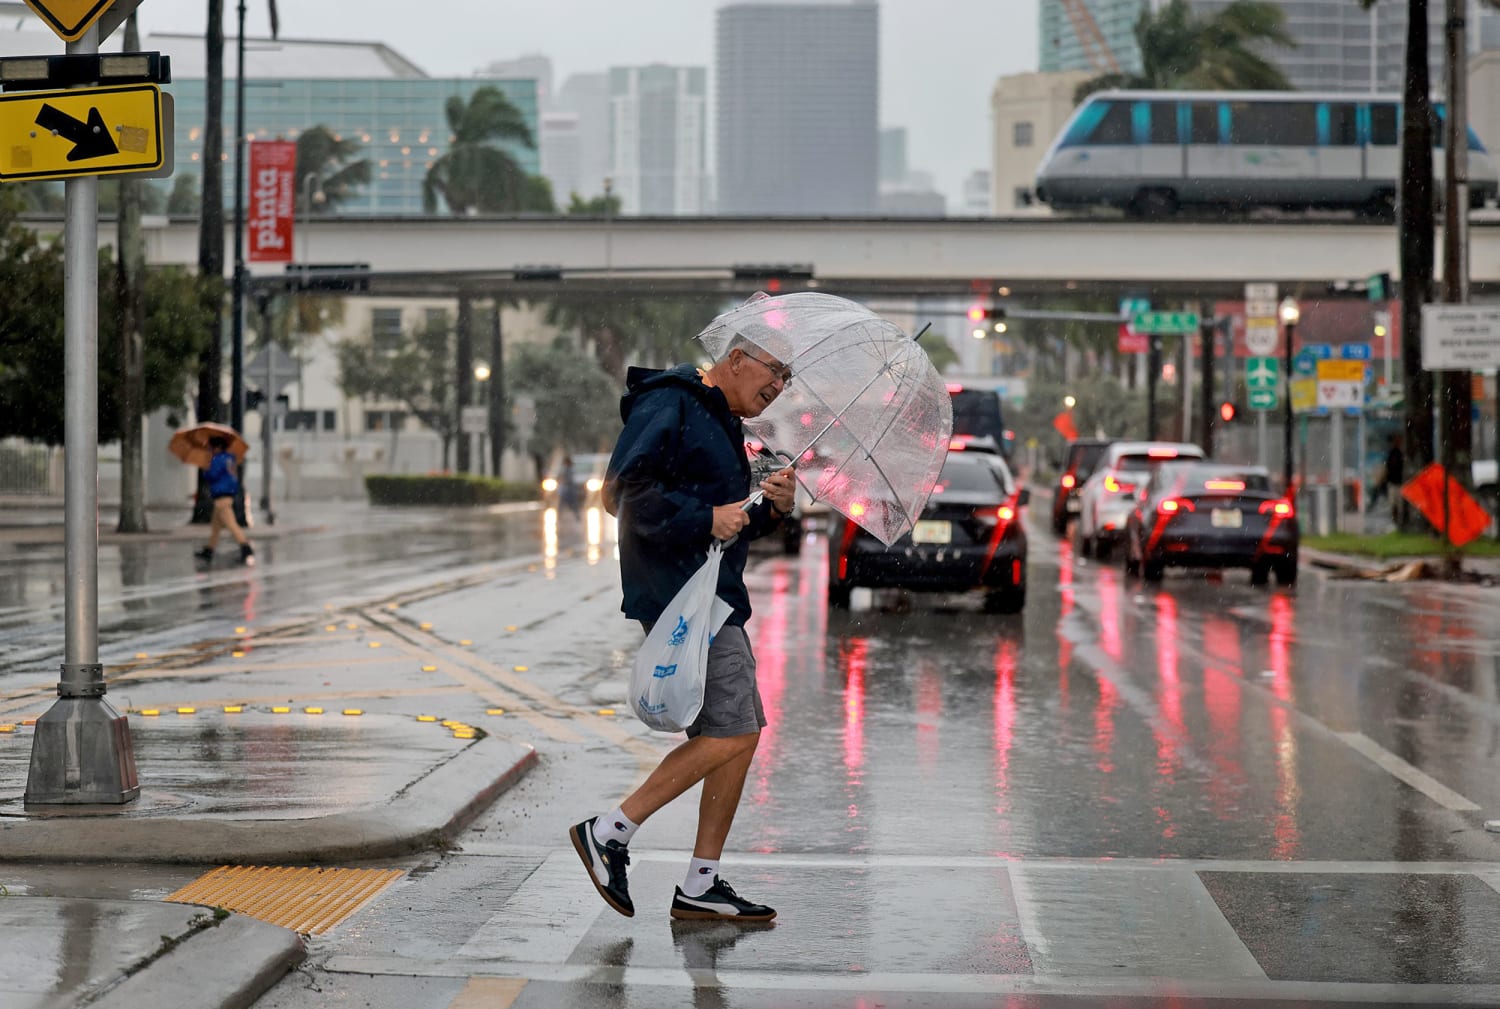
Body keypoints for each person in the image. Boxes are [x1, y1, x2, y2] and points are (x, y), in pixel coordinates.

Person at [570, 335, 797, 924]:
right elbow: (621, 494)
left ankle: (700, 884)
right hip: (682, 597)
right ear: (737, 358)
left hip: (711, 596)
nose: (777, 389)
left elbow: (730, 525)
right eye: (774, 373)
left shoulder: (722, 422)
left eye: (787, 382)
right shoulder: (671, 400)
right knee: (731, 733)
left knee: (738, 733)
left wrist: (771, 506)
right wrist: (706, 516)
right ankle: (608, 832)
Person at [195, 436, 255, 566]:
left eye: (211, 447)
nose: (210, 450)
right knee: (215, 527)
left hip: (221, 497)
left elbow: (212, 475)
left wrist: (206, 469)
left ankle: (246, 548)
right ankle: (209, 550)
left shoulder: (218, 459)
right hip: (226, 495)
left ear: (218, 447)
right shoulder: (230, 459)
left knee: (232, 525)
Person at [1385, 432, 1406, 526]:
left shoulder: (1400, 454)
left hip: (1399, 483)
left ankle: (1399, 522)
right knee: (1394, 504)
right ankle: (1395, 521)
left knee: (1399, 505)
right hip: (1393, 483)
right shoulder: (1392, 453)